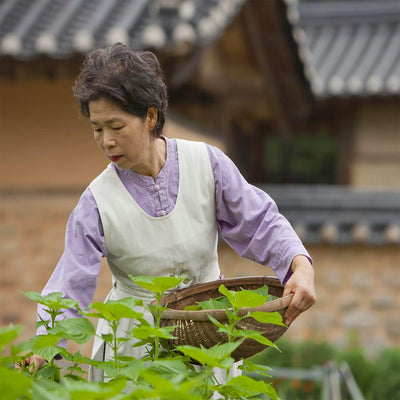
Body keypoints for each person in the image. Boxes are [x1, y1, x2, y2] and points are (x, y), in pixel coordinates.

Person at [22, 43, 316, 379]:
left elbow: (260, 222)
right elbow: (71, 283)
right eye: (96, 129)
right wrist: (45, 345)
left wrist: (299, 264)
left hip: (209, 335)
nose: (106, 141)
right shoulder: (96, 202)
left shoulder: (207, 164)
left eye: (116, 127)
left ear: (149, 116)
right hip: (133, 349)